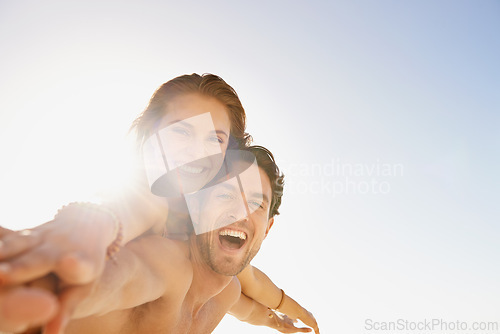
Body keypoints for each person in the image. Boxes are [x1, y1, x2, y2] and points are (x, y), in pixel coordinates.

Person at [0, 74, 319, 332]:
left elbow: (252, 289)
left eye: (215, 139)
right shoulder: (151, 209)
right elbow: (118, 217)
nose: (198, 151)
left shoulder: (219, 264)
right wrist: (83, 230)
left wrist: (285, 317)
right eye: (181, 131)